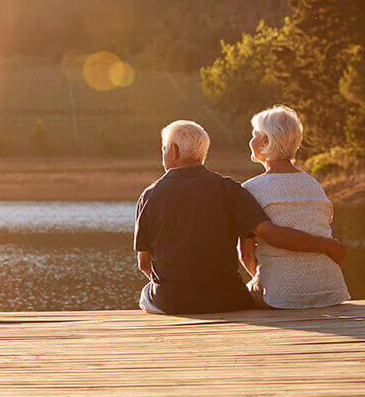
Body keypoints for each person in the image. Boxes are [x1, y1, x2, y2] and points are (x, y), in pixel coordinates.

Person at [135, 119, 347, 315]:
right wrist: (326, 245)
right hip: (227, 299)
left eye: (163, 149)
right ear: (203, 154)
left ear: (172, 152)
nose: (163, 155)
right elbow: (269, 234)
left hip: (173, 302)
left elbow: (144, 264)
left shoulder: (149, 196)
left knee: (146, 294)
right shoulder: (231, 190)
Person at [239, 105, 350, 309]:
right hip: (330, 291)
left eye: (254, 135)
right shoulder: (314, 185)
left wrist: (274, 282)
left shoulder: (249, 189)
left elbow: (246, 256)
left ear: (266, 141)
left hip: (282, 297)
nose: (250, 141)